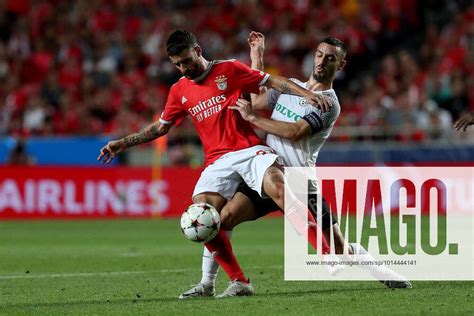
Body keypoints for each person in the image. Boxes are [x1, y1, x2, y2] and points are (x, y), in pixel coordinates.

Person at [98, 30, 331, 298]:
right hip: (217, 161)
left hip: (249, 150)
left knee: (279, 189)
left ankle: (324, 251)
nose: (183, 68)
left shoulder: (229, 69)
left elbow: (273, 82)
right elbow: (160, 128)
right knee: (200, 217)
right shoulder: (179, 90)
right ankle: (232, 282)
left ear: (198, 50)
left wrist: (307, 94)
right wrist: (123, 142)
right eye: (177, 64)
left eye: (186, 60)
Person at [180, 32, 412, 299]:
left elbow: (295, 133)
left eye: (331, 58)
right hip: (267, 172)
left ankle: (384, 273)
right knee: (221, 219)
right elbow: (257, 99)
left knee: (338, 248)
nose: (322, 61)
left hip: (301, 182)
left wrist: (253, 119)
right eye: (319, 54)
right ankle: (208, 283)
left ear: (341, 65)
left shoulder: (329, 104)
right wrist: (258, 56)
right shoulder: (290, 86)